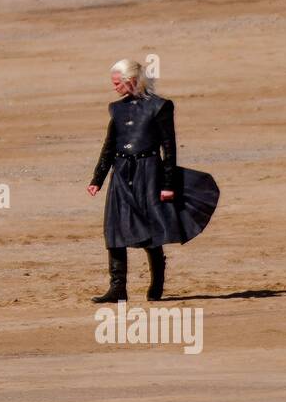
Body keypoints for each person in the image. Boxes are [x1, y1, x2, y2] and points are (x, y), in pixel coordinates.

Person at [86, 60, 219, 302]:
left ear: (131, 81)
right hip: (122, 171)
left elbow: (169, 148)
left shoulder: (160, 106)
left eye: (117, 83)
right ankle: (118, 288)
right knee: (114, 229)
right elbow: (109, 146)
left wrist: (168, 185)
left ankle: (156, 282)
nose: (114, 87)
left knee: (148, 231)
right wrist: (98, 178)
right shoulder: (117, 109)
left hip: (149, 173)